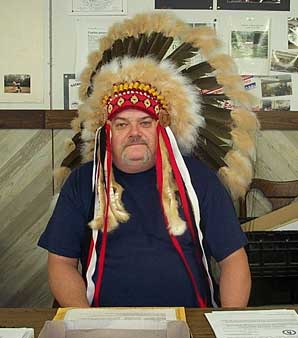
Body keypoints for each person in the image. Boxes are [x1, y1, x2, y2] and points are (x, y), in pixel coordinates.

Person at [38, 12, 257, 308]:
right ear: (108, 132)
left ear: (162, 128)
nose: (134, 133)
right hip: (104, 324)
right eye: (122, 124)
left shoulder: (198, 179)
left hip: (191, 320)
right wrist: (85, 322)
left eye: (145, 122)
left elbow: (233, 261)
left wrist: (229, 325)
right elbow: (60, 264)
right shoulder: (83, 181)